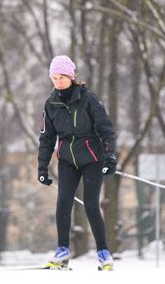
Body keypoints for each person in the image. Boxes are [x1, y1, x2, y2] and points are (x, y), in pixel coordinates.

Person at [38, 55, 117, 270]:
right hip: (67, 161)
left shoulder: (88, 99)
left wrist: (110, 157)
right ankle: (62, 251)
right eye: (54, 78)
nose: (58, 82)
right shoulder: (51, 104)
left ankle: (103, 253)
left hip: (92, 158)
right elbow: (46, 138)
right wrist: (42, 167)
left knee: (91, 205)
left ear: (71, 77)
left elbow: (106, 130)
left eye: (62, 77)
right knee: (63, 203)